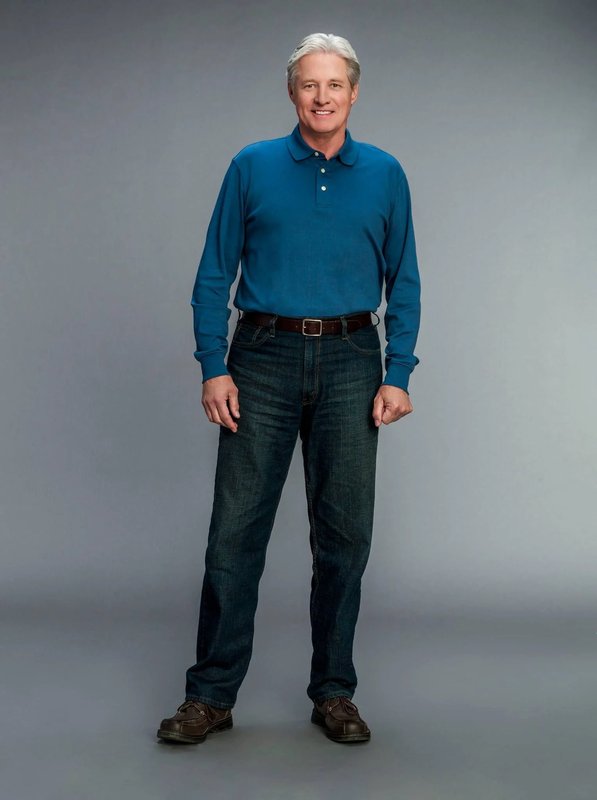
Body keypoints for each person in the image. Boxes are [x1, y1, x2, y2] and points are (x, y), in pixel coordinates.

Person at [157, 32, 421, 746]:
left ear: (354, 92)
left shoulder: (386, 173)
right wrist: (213, 364)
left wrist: (398, 372)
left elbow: (404, 278)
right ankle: (210, 695)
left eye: (334, 84)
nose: (322, 97)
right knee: (234, 534)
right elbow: (214, 273)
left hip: (352, 358)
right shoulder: (252, 165)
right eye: (310, 84)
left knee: (344, 537)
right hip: (261, 358)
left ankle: (334, 692)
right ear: (291, 92)